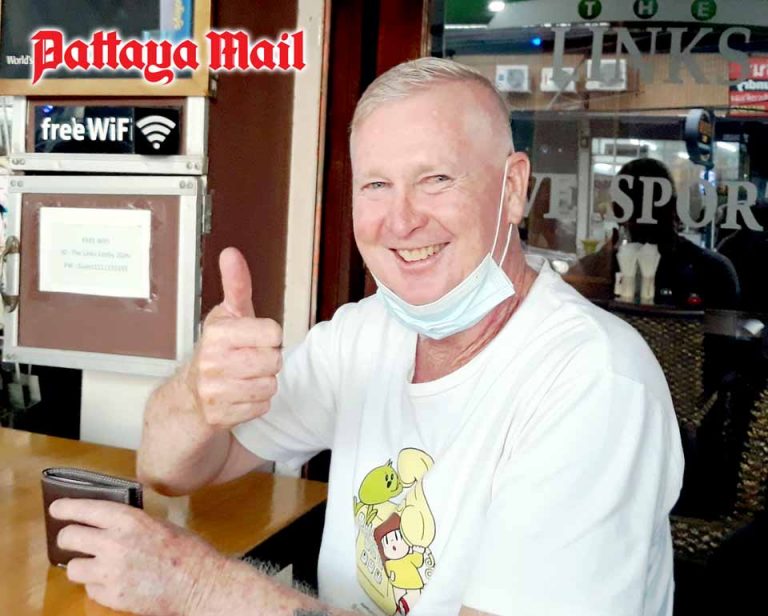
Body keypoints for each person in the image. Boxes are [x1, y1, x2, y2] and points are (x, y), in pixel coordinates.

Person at [48, 58, 684, 616]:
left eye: (436, 179)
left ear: (512, 189)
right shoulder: (365, 334)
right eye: (376, 185)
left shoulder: (593, 382)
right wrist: (198, 391)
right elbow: (166, 469)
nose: (401, 220)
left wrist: (196, 589)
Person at [568, 158, 740, 310]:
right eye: (640, 208)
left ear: (618, 211)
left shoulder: (593, 274)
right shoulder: (713, 270)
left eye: (652, 206)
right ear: (675, 208)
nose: (646, 218)